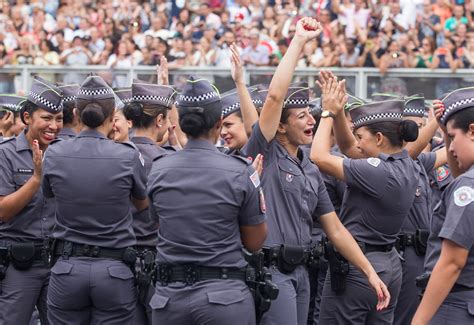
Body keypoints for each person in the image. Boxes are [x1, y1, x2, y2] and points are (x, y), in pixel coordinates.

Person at [242, 18, 389, 325]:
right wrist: (298, 42)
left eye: (312, 113)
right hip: (270, 271)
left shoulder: (309, 167)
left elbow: (335, 229)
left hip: (300, 273)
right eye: (301, 115)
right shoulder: (265, 151)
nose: (311, 120)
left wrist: (369, 271)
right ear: (280, 124)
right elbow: (273, 98)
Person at [147, 76, 268, 325]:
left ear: (180, 121)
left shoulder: (159, 169)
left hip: (170, 299)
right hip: (224, 298)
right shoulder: (240, 171)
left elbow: (158, 224)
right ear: (218, 123)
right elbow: (255, 242)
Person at [312, 70, 419, 324]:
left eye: (361, 137)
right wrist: (339, 114)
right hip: (389, 263)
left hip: (359, 267)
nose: (357, 144)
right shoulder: (407, 165)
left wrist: (326, 112)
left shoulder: (379, 172)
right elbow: (350, 148)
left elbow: (318, 156)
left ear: (379, 139)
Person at [43, 74, 147, 324]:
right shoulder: (127, 155)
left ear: (77, 115)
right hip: (113, 270)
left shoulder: (55, 152)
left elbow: (48, 194)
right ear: (113, 118)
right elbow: (142, 204)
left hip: (67, 268)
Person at [0, 76, 64, 324]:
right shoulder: (6, 155)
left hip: (58, 263)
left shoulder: (64, 153)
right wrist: (36, 179)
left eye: (58, 119)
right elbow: (3, 211)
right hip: (19, 265)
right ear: (27, 119)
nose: (54, 126)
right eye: (46, 118)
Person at [412, 88, 474, 325]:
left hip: (456, 304)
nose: (449, 148)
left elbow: (452, 262)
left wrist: (419, 321)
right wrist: (447, 132)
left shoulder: (467, 186)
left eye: (452, 136)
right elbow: (459, 172)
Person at [122, 78, 177, 325]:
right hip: (157, 260)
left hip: (119, 258)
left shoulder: (118, 153)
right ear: (160, 120)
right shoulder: (167, 161)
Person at [393, 94, 447, 325]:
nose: (421, 134)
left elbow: (452, 151)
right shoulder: (394, 162)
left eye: (423, 127)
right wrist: (436, 120)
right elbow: (409, 153)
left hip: (425, 253)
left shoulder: (421, 163)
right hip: (404, 254)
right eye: (414, 128)